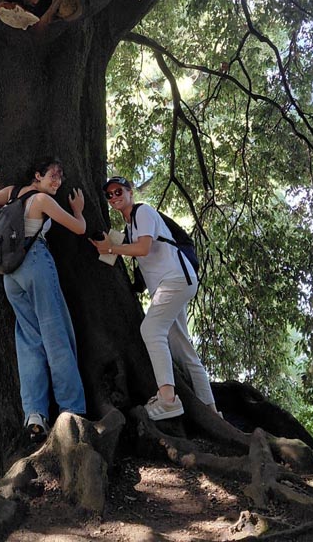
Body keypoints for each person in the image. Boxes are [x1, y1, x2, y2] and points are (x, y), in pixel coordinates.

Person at [0, 157, 87, 440]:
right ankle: (71, 409)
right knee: (56, 334)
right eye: (53, 176)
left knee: (29, 342)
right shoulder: (42, 200)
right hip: (35, 264)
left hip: (11, 274)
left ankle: (34, 414)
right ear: (37, 176)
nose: (57, 182)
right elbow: (79, 228)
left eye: (60, 177)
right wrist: (78, 211)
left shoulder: (11, 193)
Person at [89, 176, 218, 421]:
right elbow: (126, 249)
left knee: (151, 329)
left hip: (175, 280)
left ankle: (168, 399)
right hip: (171, 285)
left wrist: (111, 248)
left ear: (130, 192)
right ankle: (211, 412)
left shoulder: (143, 212)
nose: (114, 197)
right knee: (182, 349)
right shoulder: (129, 228)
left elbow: (143, 248)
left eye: (119, 191)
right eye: (109, 195)